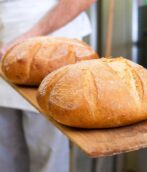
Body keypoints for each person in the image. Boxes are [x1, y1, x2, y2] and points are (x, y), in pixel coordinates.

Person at [0, 0, 96, 172]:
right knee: (6, 155)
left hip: (52, 54)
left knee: (48, 159)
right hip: (4, 52)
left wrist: (31, 36)